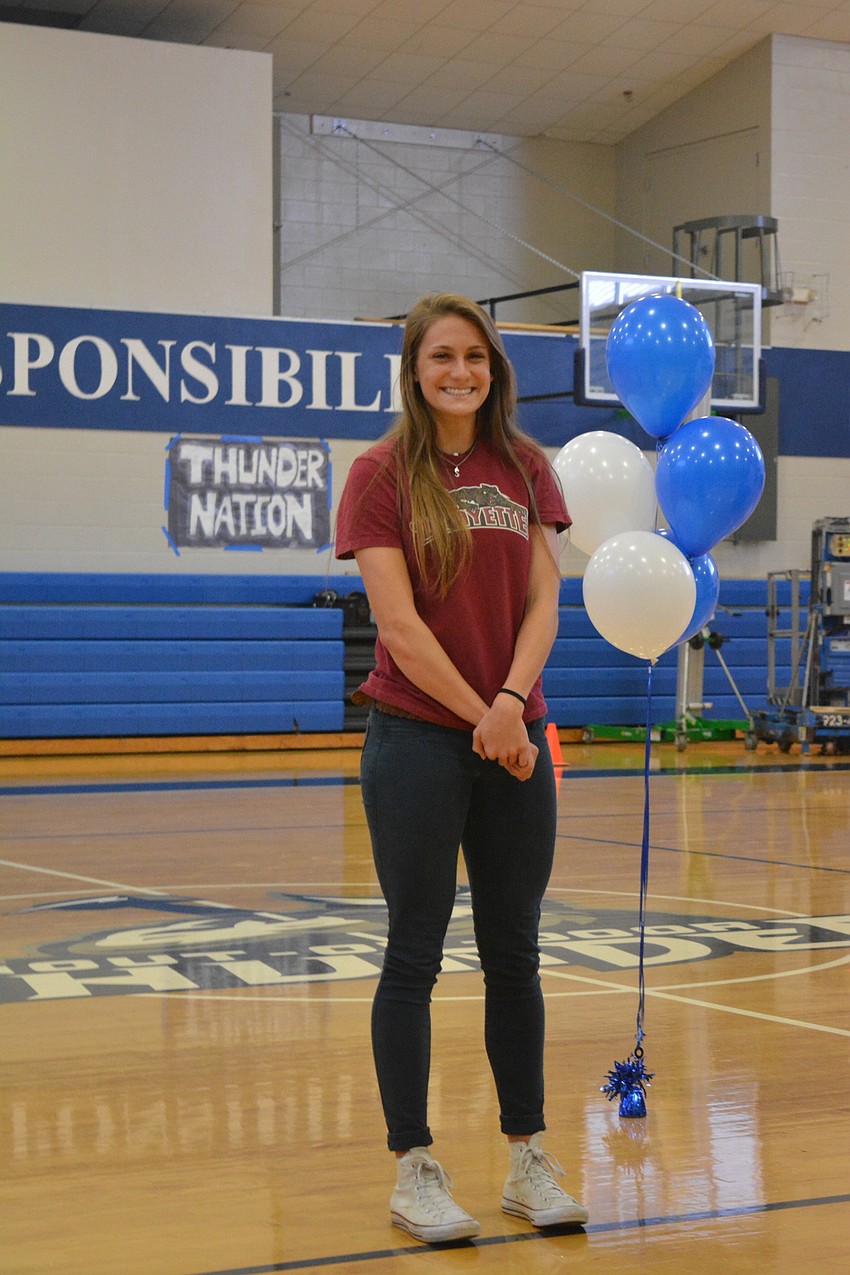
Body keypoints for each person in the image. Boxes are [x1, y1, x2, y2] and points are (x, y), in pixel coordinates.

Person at [335, 292, 588, 1243]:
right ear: (414, 369)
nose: (461, 372)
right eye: (443, 356)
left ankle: (528, 1154)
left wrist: (513, 704)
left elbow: (542, 602)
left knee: (515, 953)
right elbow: (397, 624)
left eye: (476, 357)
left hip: (513, 733)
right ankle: (415, 1168)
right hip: (417, 739)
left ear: (495, 369)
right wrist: (484, 714)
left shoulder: (528, 467)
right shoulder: (378, 473)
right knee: (414, 955)